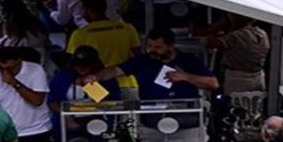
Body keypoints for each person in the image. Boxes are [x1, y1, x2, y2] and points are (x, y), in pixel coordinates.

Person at [84, 29, 218, 100]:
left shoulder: (188, 60)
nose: (152, 50)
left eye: (158, 47)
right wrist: (96, 77)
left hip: (186, 116)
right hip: (151, 117)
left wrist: (185, 76)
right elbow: (115, 71)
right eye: (149, 46)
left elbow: (213, 84)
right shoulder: (143, 60)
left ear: (171, 45)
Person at [0, 47, 51, 142]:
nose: (5, 71)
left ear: (19, 61)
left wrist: (14, 83)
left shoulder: (35, 70)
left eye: (10, 68)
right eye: (0, 67)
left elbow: (37, 101)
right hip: (5, 131)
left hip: (35, 129)